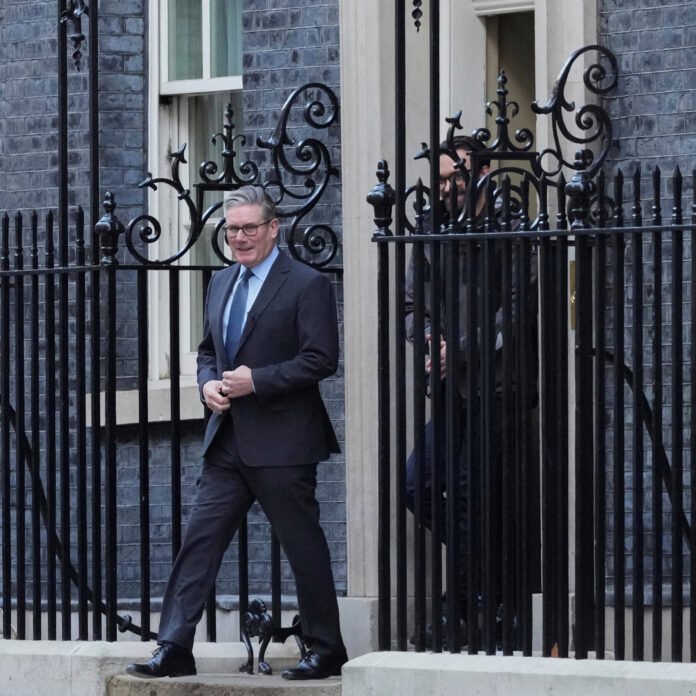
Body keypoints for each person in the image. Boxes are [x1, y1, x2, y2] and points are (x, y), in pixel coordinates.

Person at [127, 185, 347, 680]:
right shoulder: (222, 282)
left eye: (249, 228)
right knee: (198, 543)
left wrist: (257, 381)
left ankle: (327, 648)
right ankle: (174, 646)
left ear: (273, 228)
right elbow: (209, 350)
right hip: (226, 440)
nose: (240, 238)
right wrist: (207, 384)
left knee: (303, 547)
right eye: (232, 230)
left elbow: (321, 359)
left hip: (285, 442)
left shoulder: (306, 283)